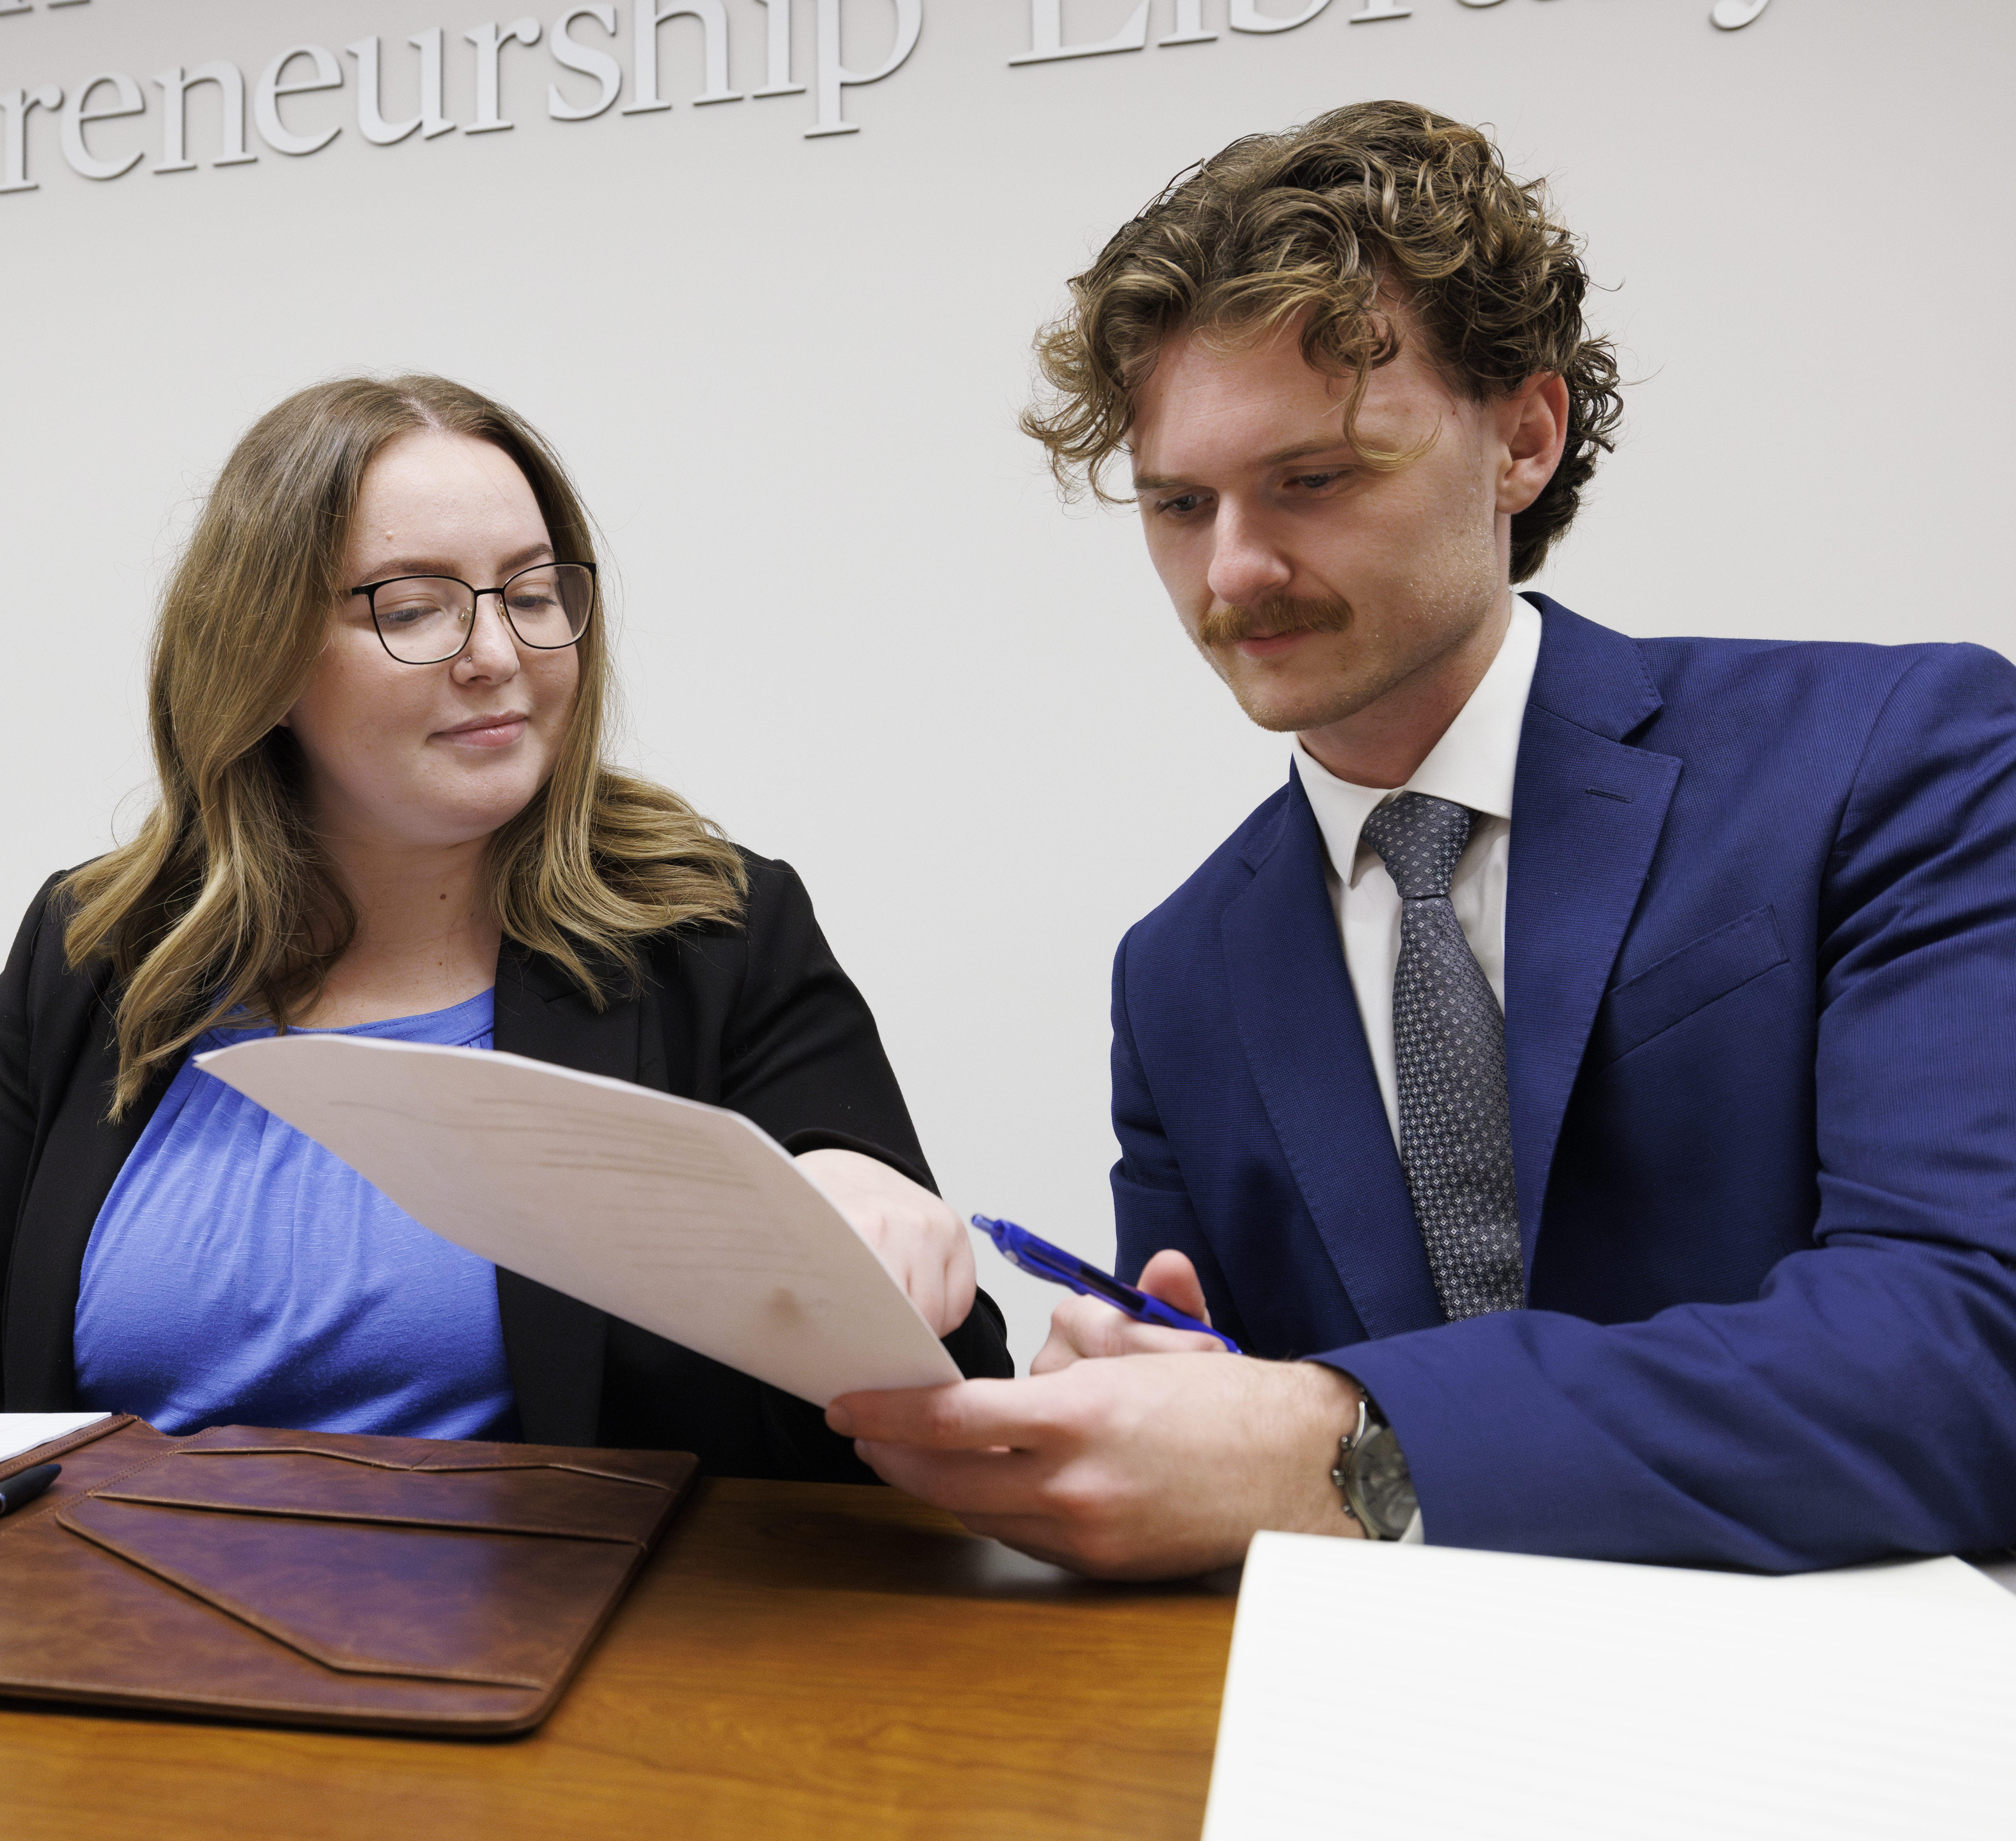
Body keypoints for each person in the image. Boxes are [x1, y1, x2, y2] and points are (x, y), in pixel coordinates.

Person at [830, 101, 2016, 1574]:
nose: (1232, 569)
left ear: (1524, 438)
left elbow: (1970, 1348)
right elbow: (1236, 1437)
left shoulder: (1894, 754)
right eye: (1179, 504)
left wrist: (1338, 1441)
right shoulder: (1179, 973)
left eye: (1314, 478)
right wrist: (1146, 1406)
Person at [0, 374, 1010, 1477]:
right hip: (108, 1616)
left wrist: (864, 1215)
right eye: (413, 609)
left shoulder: (714, 933)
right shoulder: (96, 949)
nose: (498, 656)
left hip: (572, 1621)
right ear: (263, 658)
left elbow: (942, 1407)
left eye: (533, 595)